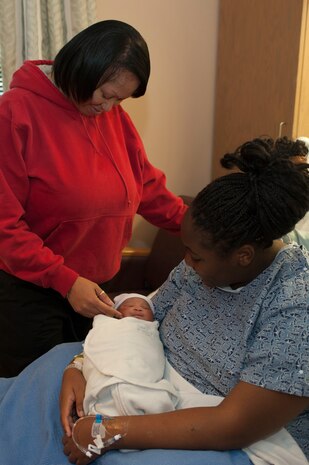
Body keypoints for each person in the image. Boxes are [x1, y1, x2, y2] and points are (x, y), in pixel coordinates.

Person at [0, 137, 308, 465]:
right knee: (46, 379)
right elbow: (143, 315)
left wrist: (111, 431)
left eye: (196, 257)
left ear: (243, 256)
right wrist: (79, 365)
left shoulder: (294, 307)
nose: (186, 264)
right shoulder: (207, 259)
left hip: (235, 432)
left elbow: (236, 425)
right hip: (151, 378)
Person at [0, 20, 187, 377]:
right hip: (34, 292)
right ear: (79, 67)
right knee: (40, 396)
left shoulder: (115, 117)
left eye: (120, 98)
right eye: (105, 93)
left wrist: (197, 226)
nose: (109, 106)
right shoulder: (14, 114)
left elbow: (146, 186)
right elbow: (4, 226)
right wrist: (66, 281)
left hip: (97, 288)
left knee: (88, 392)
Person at [81, 293, 178, 417]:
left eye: (146, 308)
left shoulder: (151, 330)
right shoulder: (109, 325)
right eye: (129, 305)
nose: (138, 309)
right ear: (115, 312)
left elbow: (152, 353)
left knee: (154, 398)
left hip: (143, 376)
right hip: (111, 375)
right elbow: (99, 341)